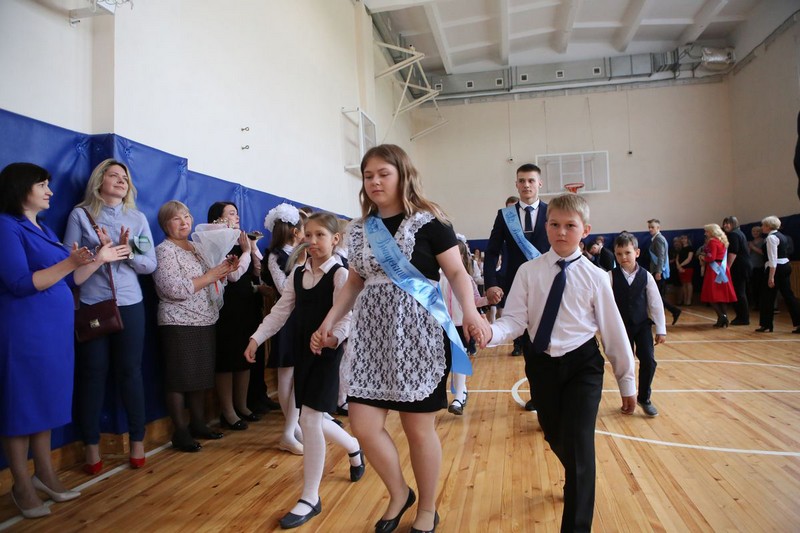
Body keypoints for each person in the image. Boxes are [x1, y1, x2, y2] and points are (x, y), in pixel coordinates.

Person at [312, 144, 491, 533]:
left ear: (402, 175)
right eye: (368, 175)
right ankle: (398, 493)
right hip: (372, 338)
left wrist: (471, 311)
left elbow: (457, 273)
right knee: (363, 425)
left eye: (383, 174)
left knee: (417, 430)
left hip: (418, 336)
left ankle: (427, 507)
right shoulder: (359, 229)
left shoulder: (430, 223)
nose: (375, 182)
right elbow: (354, 282)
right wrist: (329, 321)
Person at [488, 193, 635, 533]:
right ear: (546, 226)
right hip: (541, 365)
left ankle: (577, 518)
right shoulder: (529, 271)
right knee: (555, 435)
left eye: (570, 226)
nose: (561, 232)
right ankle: (577, 474)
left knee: (581, 444)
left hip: (583, 365)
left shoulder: (596, 277)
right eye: (554, 224)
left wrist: (627, 380)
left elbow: (613, 330)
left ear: (585, 230)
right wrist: (490, 333)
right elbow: (515, 320)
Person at [0, 163, 126, 518]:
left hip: (53, 333)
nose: (50, 191)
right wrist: (70, 263)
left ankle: (45, 475)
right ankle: (21, 485)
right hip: (25, 332)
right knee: (22, 407)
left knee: (45, 403)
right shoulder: (6, 226)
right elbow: (20, 283)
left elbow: (71, 279)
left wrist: (98, 258)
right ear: (21, 187)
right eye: (42, 185)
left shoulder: (44, 229)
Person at [245, 212, 365, 529]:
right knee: (311, 418)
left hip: (327, 353)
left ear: (335, 239)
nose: (312, 241)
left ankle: (310, 497)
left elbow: (347, 317)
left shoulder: (340, 274)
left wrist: (331, 339)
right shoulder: (298, 274)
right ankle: (354, 446)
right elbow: (280, 312)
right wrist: (257, 338)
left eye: (319, 235)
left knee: (309, 419)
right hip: (303, 351)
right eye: (307, 235)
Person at [64, 159, 157, 474]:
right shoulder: (81, 214)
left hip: (129, 304)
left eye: (125, 178)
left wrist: (126, 251)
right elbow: (68, 261)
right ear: (99, 180)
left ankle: (138, 442)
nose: (120, 181)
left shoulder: (137, 218)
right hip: (92, 304)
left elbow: (149, 264)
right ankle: (91, 448)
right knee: (92, 374)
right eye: (114, 175)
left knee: (130, 372)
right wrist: (98, 253)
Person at [153, 200, 239, 452]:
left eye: (187, 216)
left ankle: (198, 424)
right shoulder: (164, 250)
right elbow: (172, 289)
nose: (184, 222)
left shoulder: (197, 247)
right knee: (179, 379)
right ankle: (180, 432)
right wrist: (210, 276)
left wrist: (224, 270)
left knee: (200, 377)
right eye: (176, 218)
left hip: (205, 318)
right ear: (165, 224)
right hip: (178, 321)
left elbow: (213, 280)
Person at [207, 202, 262, 432]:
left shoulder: (241, 241)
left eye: (237, 213)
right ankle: (228, 411)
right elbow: (233, 275)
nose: (236, 217)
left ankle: (242, 405)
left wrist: (252, 248)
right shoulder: (216, 240)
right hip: (226, 309)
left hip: (245, 305)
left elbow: (256, 271)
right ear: (218, 219)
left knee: (244, 357)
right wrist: (247, 252)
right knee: (227, 360)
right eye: (231, 213)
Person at [484, 166, 549, 358]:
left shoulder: (552, 212)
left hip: (547, 279)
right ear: (516, 184)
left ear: (540, 183)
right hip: (516, 280)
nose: (526, 185)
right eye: (522, 181)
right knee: (520, 331)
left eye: (531, 180)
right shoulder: (505, 215)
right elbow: (492, 252)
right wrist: (491, 284)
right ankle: (519, 345)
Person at [261, 203, 306, 454]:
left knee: (298, 374)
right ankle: (291, 428)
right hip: (285, 318)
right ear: (293, 230)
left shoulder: (301, 252)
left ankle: (294, 426)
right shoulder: (275, 256)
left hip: (302, 318)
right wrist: (300, 263)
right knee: (286, 375)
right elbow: (284, 288)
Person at [610, 232, 666, 417]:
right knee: (625, 364)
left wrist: (661, 329)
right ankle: (627, 397)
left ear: (637, 252)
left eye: (627, 252)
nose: (623, 257)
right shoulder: (610, 276)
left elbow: (655, 304)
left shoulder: (646, 276)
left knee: (649, 361)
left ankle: (644, 398)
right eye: (619, 254)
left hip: (642, 326)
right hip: (621, 328)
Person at [442, 238, 489, 416]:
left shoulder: (466, 279)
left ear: (462, 257)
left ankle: (459, 395)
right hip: (441, 325)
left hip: (461, 325)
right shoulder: (436, 278)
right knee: (444, 360)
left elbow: (476, 300)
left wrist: (488, 299)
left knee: (459, 358)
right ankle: (452, 393)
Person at [755, 216, 800, 333]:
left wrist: (771, 277)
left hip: (776, 268)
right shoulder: (782, 236)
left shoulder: (771, 238)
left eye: (763, 225)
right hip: (785, 266)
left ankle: (766, 325)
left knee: (767, 297)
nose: (762, 227)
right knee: (788, 295)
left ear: (768, 226)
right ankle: (798, 323)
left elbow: (773, 258)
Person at [700, 224, 737, 328]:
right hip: (722, 269)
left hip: (714, 270)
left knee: (712, 295)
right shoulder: (723, 241)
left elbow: (711, 258)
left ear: (712, 232)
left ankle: (721, 316)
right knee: (721, 295)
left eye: (707, 231)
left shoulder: (712, 241)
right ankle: (724, 317)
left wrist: (703, 258)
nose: (705, 233)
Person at [647, 219, 681, 325]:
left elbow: (661, 256)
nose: (650, 229)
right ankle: (659, 318)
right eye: (649, 227)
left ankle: (674, 310)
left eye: (652, 227)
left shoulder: (658, 239)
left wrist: (658, 271)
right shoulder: (656, 239)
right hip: (658, 270)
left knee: (656, 296)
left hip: (659, 271)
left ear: (658, 228)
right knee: (658, 296)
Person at [722, 216, 751, 325]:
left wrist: (727, 268)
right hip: (742, 265)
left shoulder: (734, 234)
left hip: (739, 266)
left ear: (734, 224)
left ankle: (743, 317)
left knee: (739, 292)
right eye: (724, 223)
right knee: (739, 292)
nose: (725, 225)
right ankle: (742, 316)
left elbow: (733, 252)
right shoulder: (739, 233)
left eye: (728, 223)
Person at [748, 226, 765, 311]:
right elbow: (748, 253)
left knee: (760, 286)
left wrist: (753, 247)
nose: (755, 233)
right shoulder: (750, 242)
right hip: (751, 266)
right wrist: (749, 248)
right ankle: (755, 304)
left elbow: (763, 253)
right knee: (753, 286)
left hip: (760, 266)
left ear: (760, 232)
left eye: (757, 231)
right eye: (753, 231)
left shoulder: (763, 241)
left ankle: (761, 304)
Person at [676, 235, 694, 306]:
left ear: (687, 240)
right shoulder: (680, 249)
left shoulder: (690, 248)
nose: (683, 240)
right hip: (680, 268)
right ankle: (685, 299)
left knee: (688, 283)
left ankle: (689, 300)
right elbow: (677, 258)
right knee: (683, 284)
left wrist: (681, 265)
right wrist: (678, 266)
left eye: (685, 239)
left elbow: (689, 259)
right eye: (682, 239)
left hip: (688, 267)